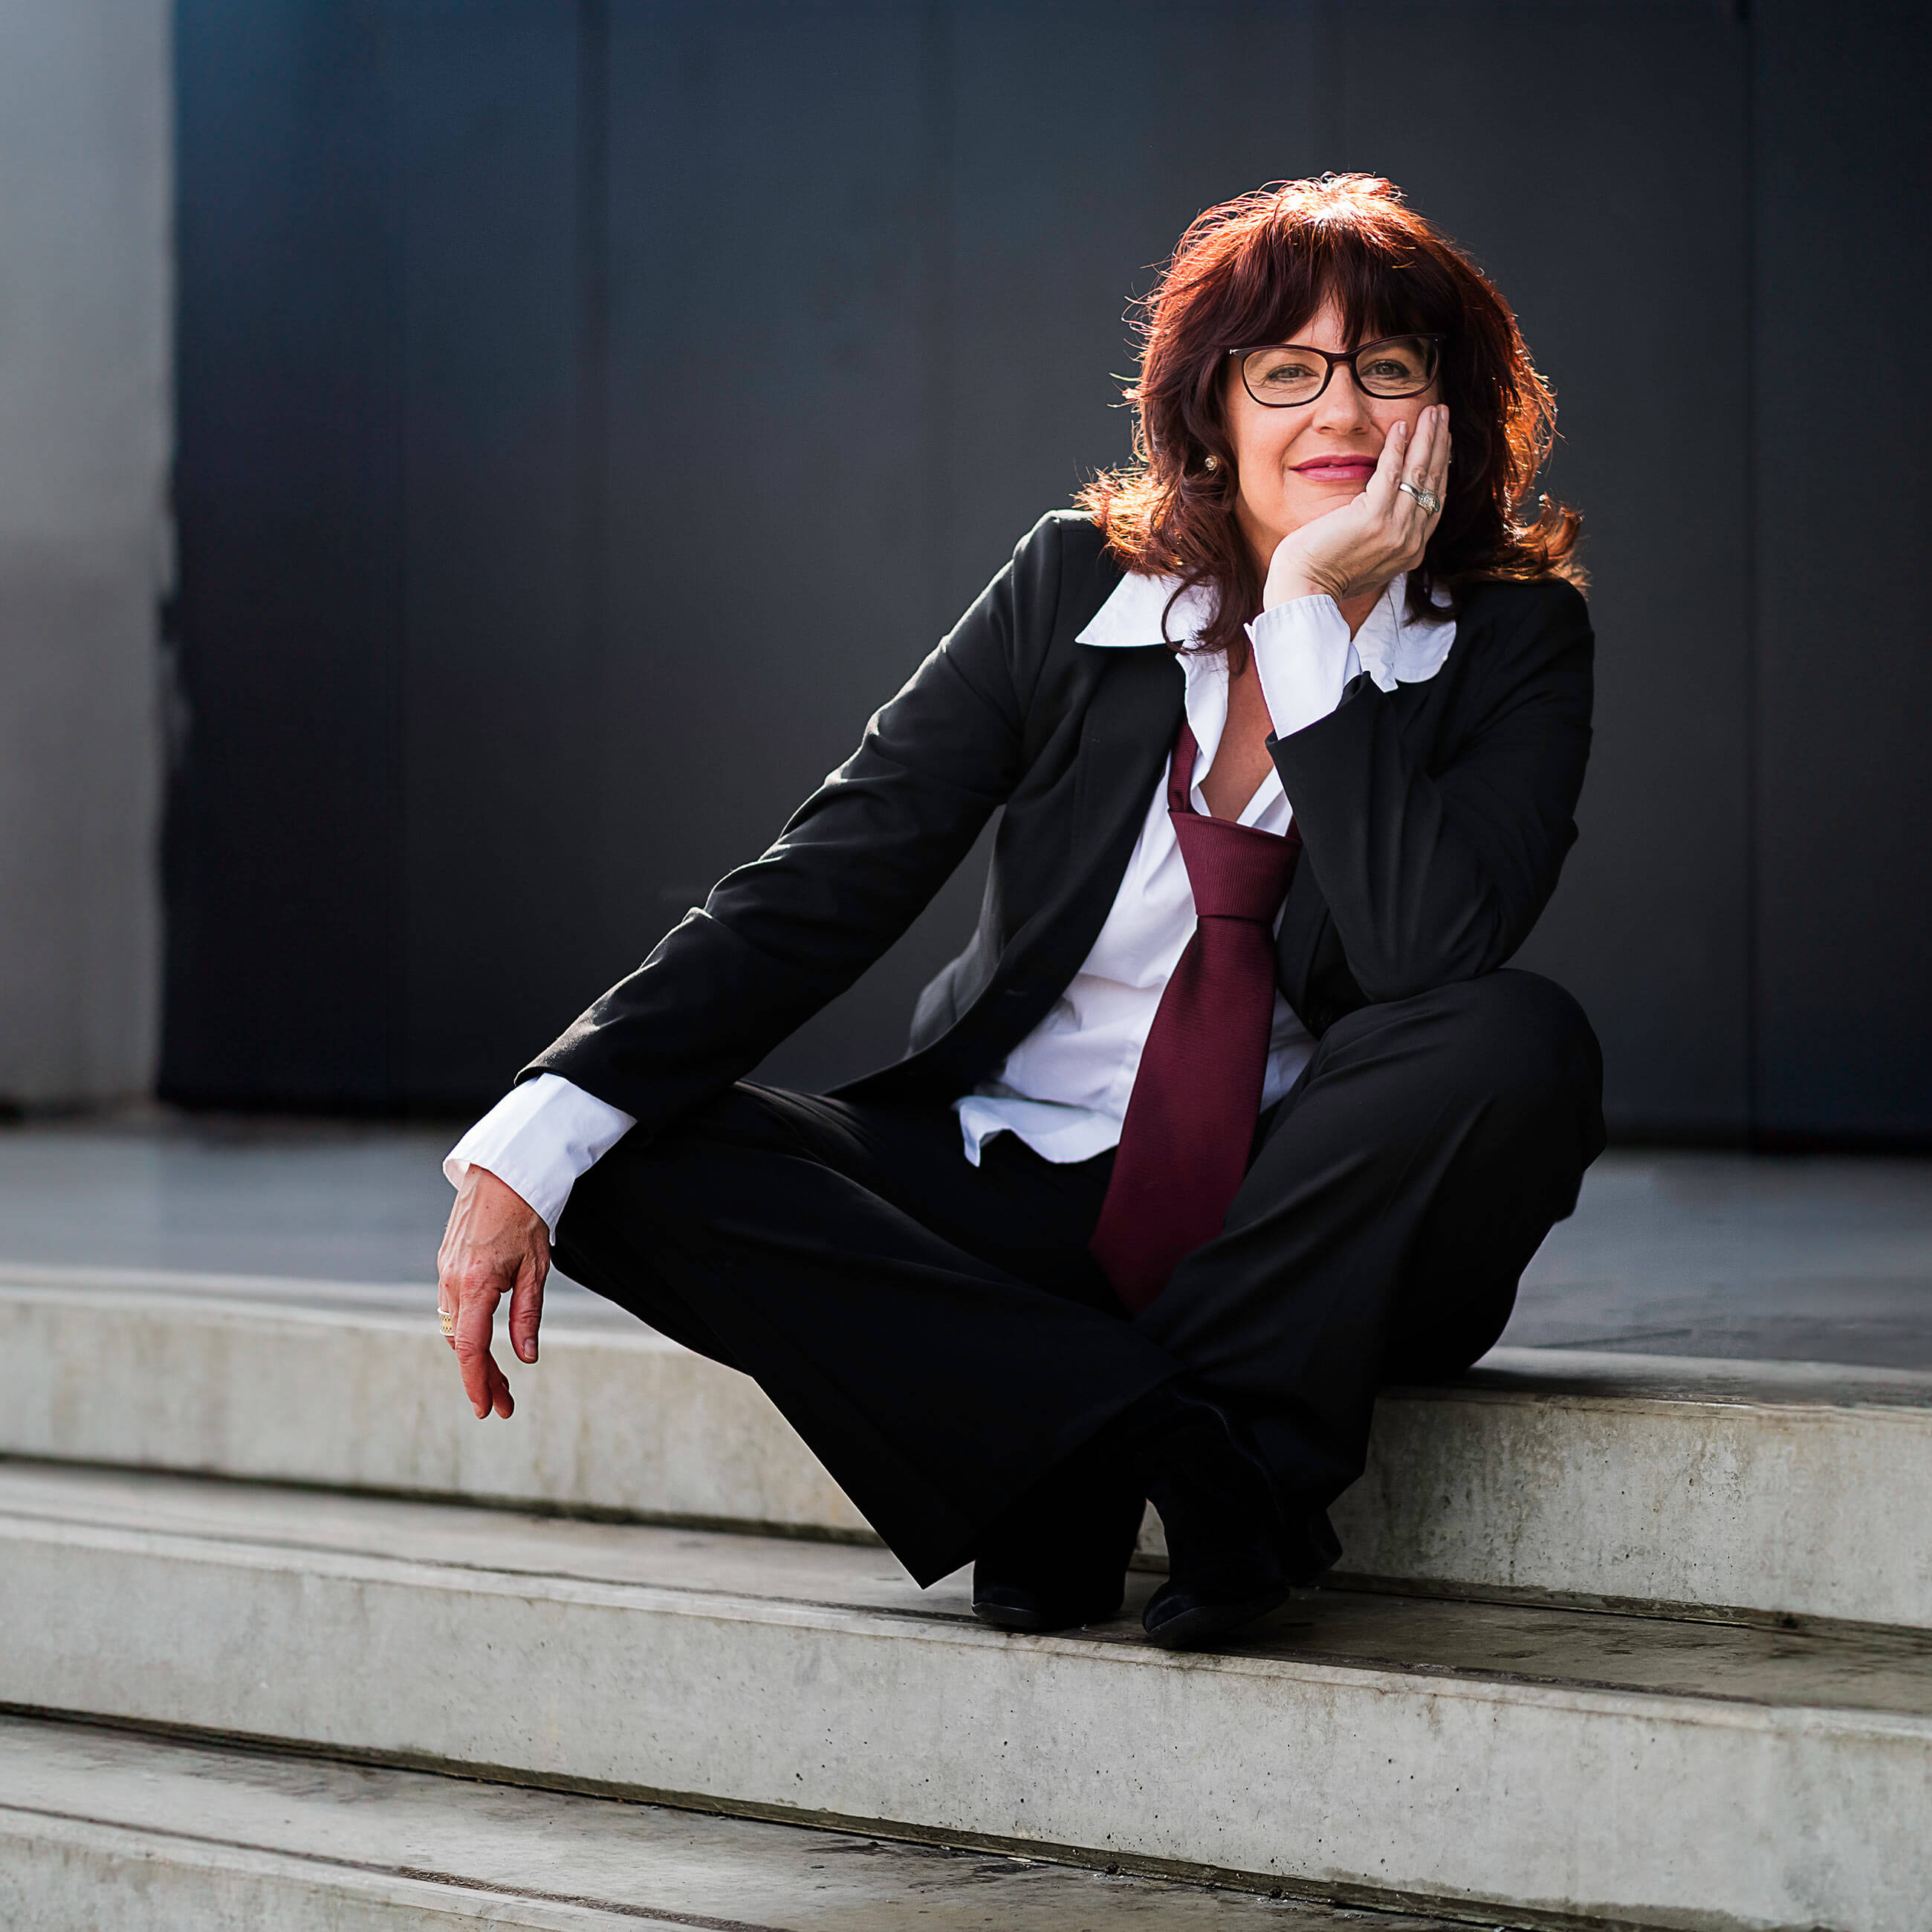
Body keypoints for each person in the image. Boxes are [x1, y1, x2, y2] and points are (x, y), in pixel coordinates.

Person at [435, 173, 1605, 1651]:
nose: (1343, 417)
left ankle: (1078, 1446)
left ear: (1447, 405)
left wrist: (1311, 620)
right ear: (1209, 406)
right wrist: (527, 1143)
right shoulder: (1072, 584)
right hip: (1015, 1182)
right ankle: (1147, 1447)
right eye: (1288, 372)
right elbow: (829, 875)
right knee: (610, 1146)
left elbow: (1428, 949)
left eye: (1387, 368)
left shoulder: (1514, 642)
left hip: (1305, 1221)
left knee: (1517, 1040)